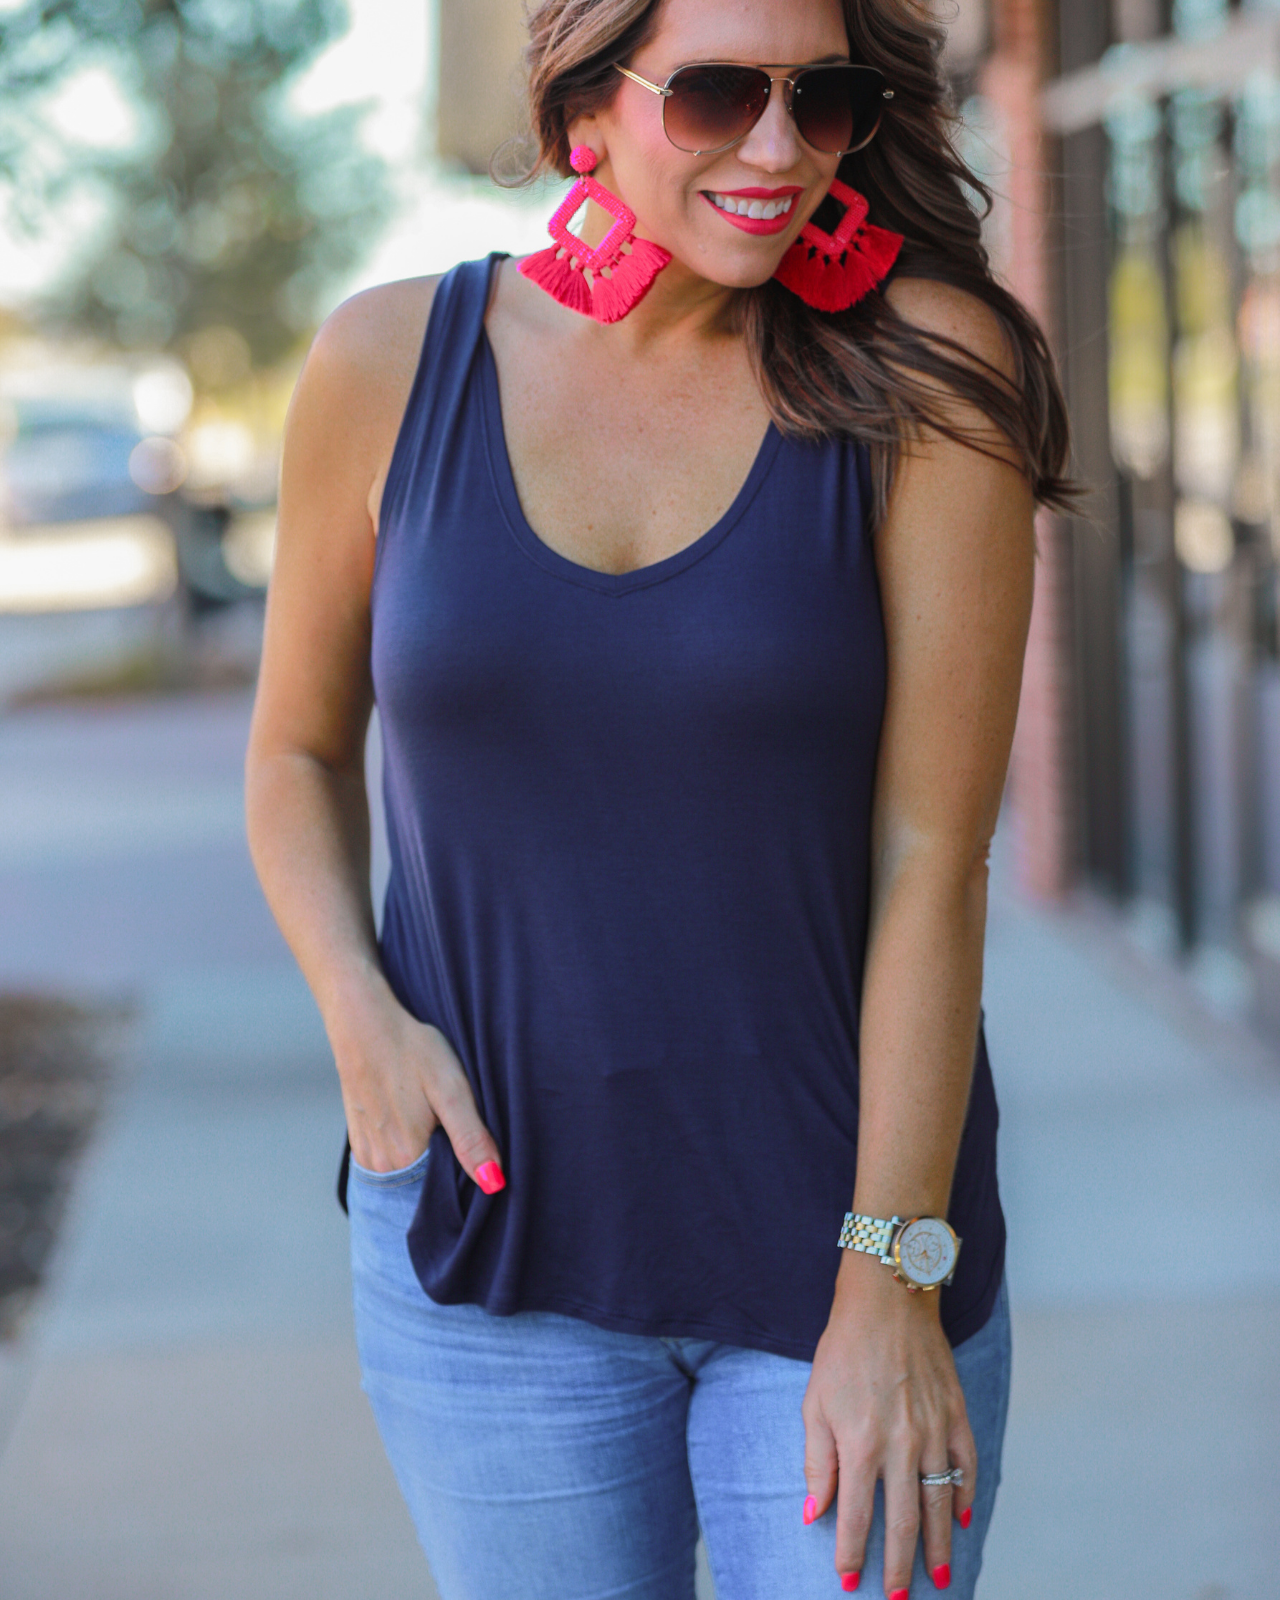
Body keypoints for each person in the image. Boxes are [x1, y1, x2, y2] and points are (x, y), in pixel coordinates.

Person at [244, 2, 1080, 1597]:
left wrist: (894, 1276)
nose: (776, 149)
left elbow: (934, 856)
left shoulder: (925, 370)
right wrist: (360, 1013)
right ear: (589, 108)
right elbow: (294, 750)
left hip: (843, 1241)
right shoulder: (385, 361)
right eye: (713, 94)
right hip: (493, 1248)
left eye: (818, 97)